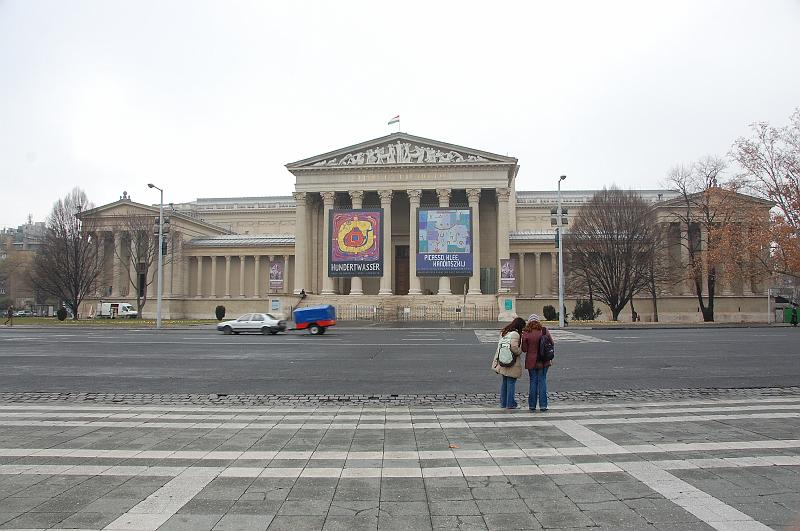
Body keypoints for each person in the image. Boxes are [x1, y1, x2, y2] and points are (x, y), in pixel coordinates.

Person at [521, 313, 554, 412]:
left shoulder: (526, 332)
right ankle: (543, 405)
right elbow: (552, 343)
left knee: (533, 382)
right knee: (542, 381)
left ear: (529, 322)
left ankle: (532, 405)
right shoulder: (544, 330)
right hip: (544, 360)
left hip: (531, 361)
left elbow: (524, 349)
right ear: (538, 321)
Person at [492, 317, 526, 409]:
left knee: (505, 382)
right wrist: (520, 351)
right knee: (511, 382)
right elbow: (514, 348)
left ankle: (503, 403)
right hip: (511, 361)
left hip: (503, 359)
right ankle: (510, 403)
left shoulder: (504, 332)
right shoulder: (515, 334)